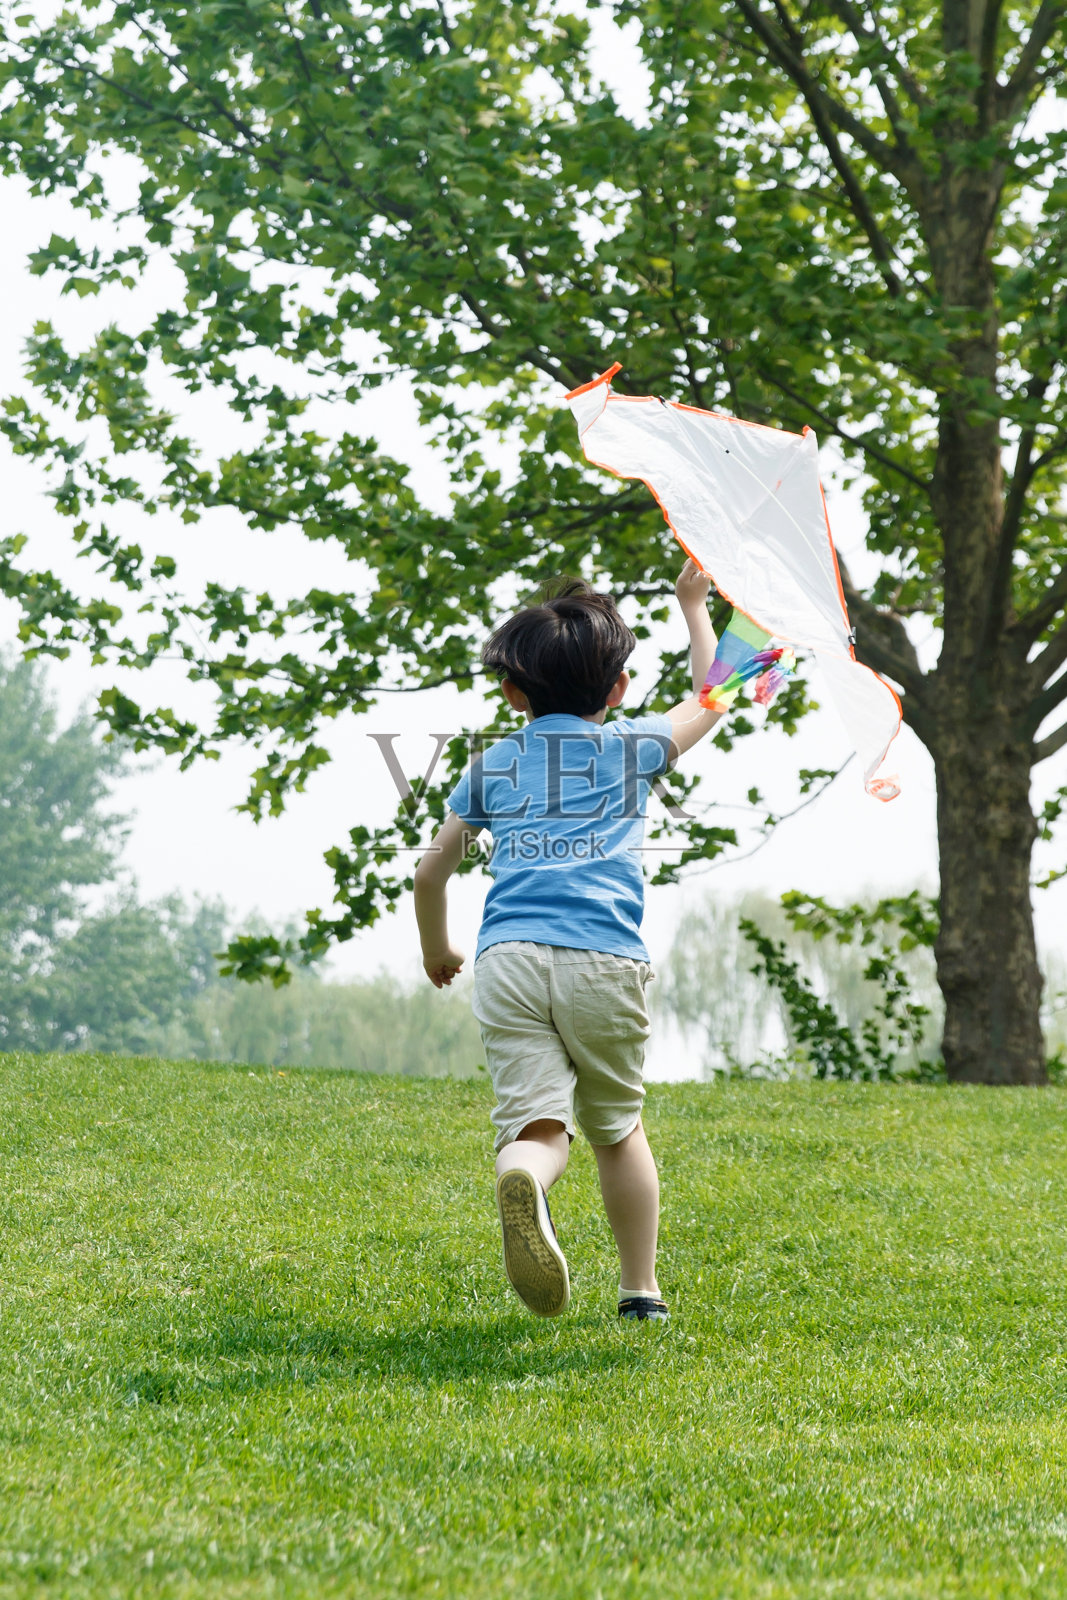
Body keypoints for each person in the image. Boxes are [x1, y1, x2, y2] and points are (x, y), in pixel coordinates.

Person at [413, 557, 724, 1322]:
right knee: (616, 1128)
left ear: (512, 691)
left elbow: (430, 873)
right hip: (602, 960)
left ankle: (523, 1175)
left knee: (537, 1125)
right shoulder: (629, 746)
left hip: (508, 960)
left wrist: (437, 951)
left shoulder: (495, 764)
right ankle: (639, 1292)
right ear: (616, 690)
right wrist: (693, 608)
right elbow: (713, 697)